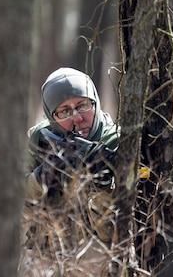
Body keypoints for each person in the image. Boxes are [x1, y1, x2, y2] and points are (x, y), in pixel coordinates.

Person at [24, 67, 119, 250]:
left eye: (83, 105)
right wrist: (40, 179)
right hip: (47, 258)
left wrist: (103, 186)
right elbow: (10, 207)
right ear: (52, 117)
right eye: (65, 111)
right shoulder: (39, 139)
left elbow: (115, 234)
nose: (77, 118)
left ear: (95, 103)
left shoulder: (116, 142)